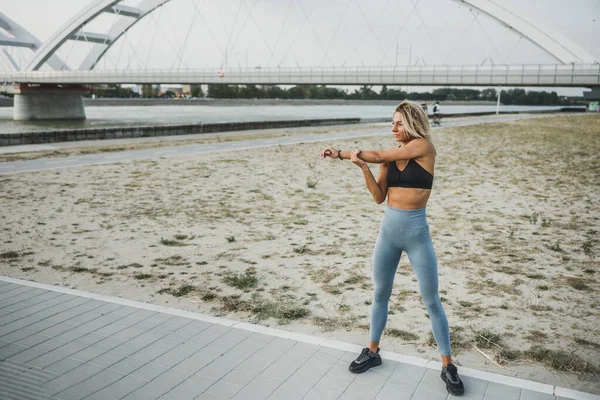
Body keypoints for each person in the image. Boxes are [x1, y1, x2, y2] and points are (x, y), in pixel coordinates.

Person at [319, 100, 464, 396]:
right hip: (388, 232)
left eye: (399, 123)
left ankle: (448, 366)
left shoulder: (423, 147)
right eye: (392, 123)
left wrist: (341, 154)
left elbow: (379, 153)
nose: (393, 128)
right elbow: (378, 197)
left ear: (411, 123)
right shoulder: (387, 158)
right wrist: (362, 167)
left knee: (431, 300)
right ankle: (372, 351)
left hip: (417, 234)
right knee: (380, 293)